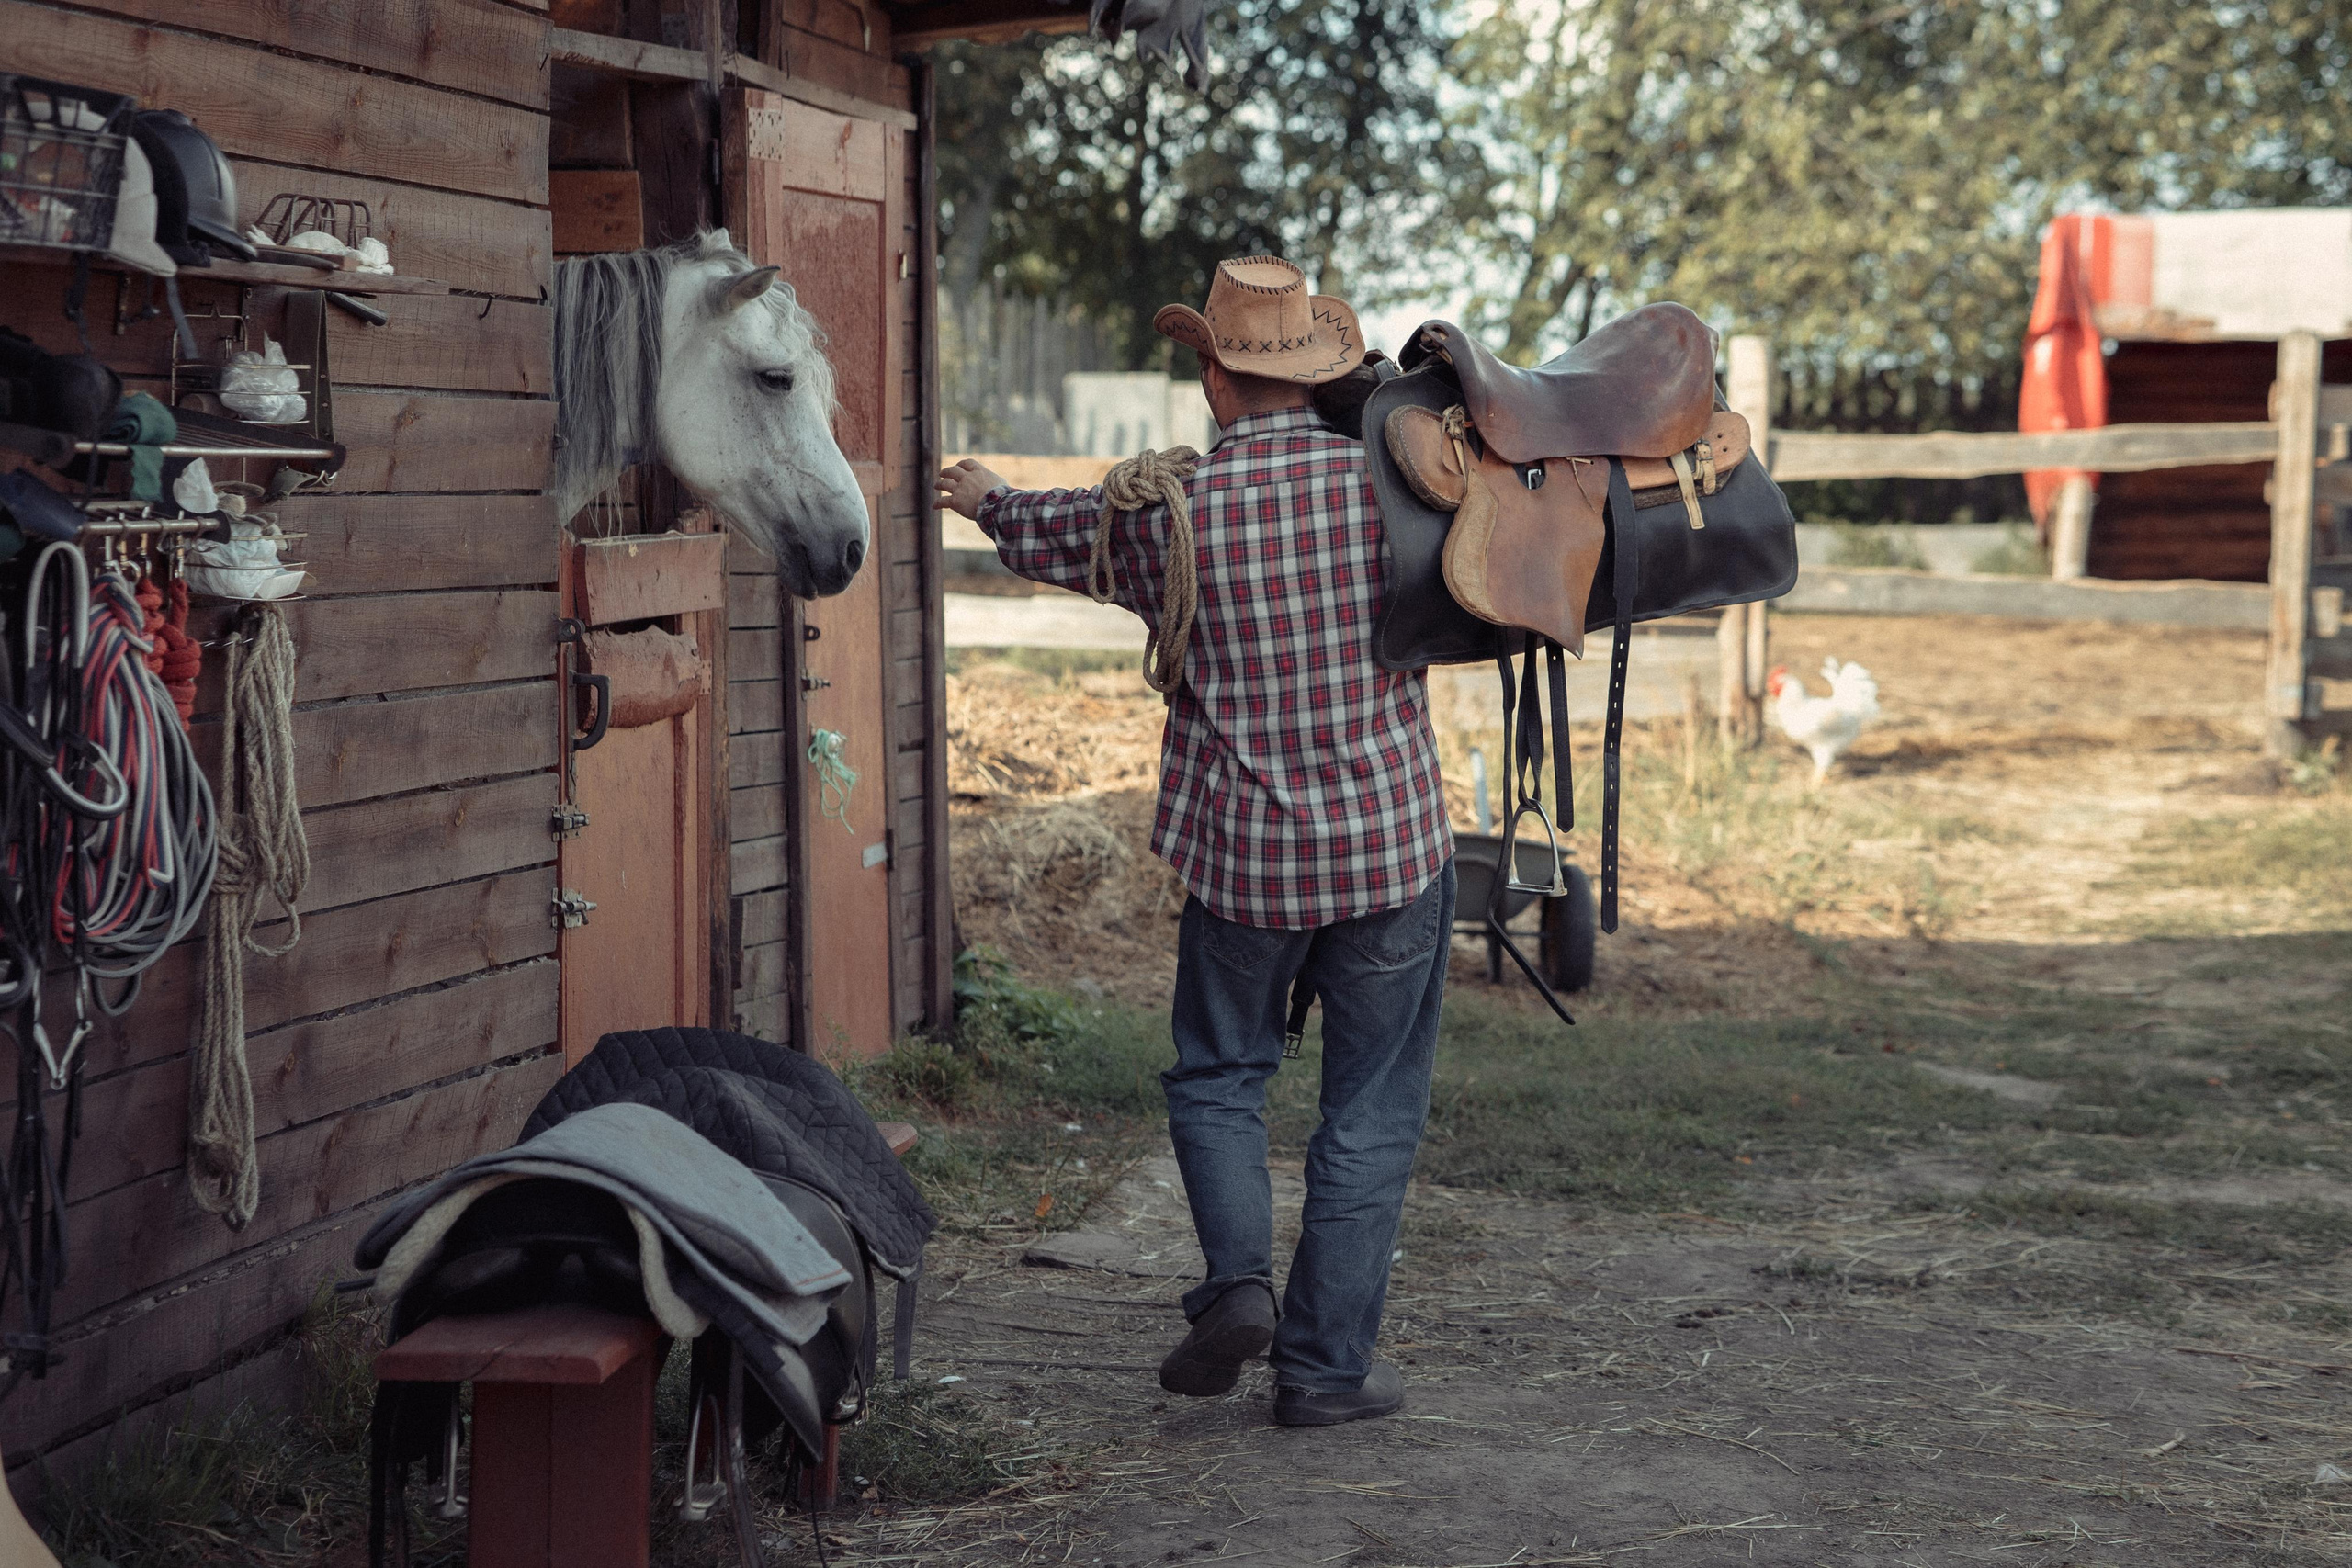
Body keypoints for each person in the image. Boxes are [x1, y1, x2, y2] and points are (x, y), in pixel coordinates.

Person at [935, 257, 1453, 1427]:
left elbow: (1056, 533)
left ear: (1215, 379)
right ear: (1321, 374)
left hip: (1246, 862)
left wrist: (988, 498)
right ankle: (1323, 1374)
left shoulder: (1171, 515)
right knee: (1369, 1114)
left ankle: (1235, 1289)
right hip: (1389, 852)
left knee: (1221, 1078)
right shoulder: (1403, 490)